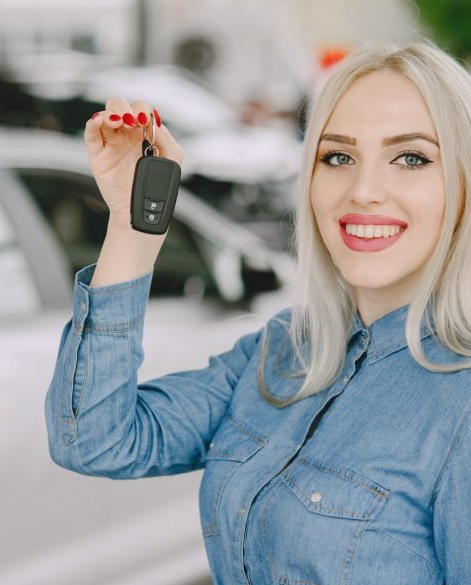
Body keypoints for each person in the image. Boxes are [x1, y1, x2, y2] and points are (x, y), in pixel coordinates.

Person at [45, 40, 471, 584]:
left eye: (411, 158)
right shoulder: (284, 351)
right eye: (337, 156)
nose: (364, 190)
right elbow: (95, 440)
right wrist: (133, 226)